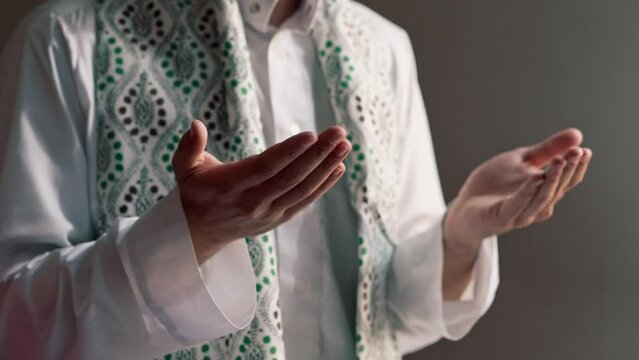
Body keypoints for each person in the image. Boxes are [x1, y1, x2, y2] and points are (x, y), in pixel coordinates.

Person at [0, 0, 592, 359]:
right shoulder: (68, 41)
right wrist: (187, 238)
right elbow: (15, 325)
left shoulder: (381, 48)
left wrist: (458, 236)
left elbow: (394, 320)